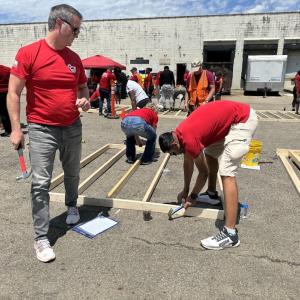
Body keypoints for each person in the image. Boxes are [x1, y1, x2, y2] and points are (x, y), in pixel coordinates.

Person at [7, 4, 90, 263]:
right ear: (59, 24)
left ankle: (71, 205)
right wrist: (16, 128)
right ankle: (41, 238)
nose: (77, 34)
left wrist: (84, 101)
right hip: (42, 129)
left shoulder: (74, 59)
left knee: (73, 171)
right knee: (40, 183)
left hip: (72, 126)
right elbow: (13, 93)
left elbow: (83, 90)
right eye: (75, 29)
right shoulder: (29, 53)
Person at [158, 100, 258, 250]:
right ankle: (211, 194)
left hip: (242, 120)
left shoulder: (189, 139)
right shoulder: (180, 134)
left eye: (173, 153)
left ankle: (230, 234)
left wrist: (193, 197)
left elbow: (203, 173)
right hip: (230, 122)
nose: (175, 155)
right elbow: (188, 163)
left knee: (227, 171)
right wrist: (185, 190)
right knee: (211, 154)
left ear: (174, 144)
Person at [0, 65, 11, 137]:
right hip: (7, 92)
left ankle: (8, 131)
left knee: (3, 113)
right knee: (7, 111)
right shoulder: (7, 69)